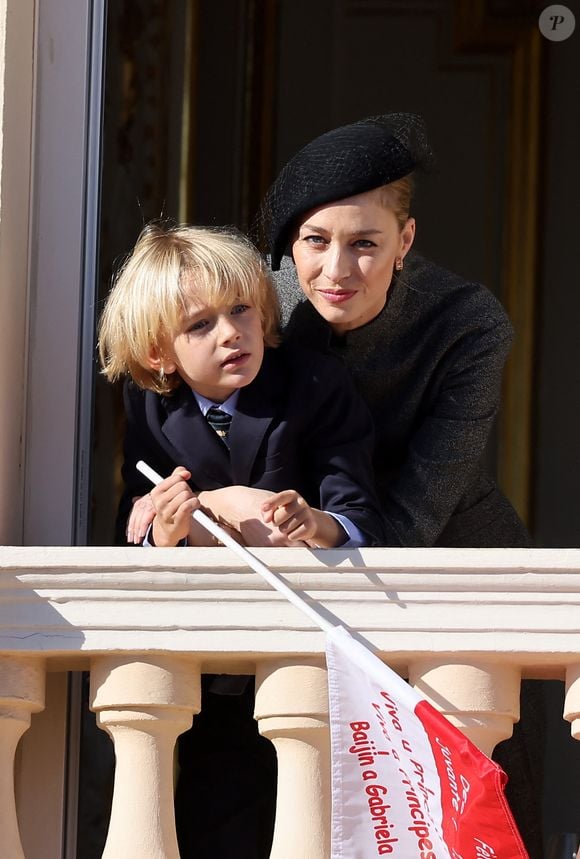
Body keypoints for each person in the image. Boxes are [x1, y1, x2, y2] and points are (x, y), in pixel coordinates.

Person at [254, 112, 542, 858]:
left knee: (470, 807)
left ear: (405, 242)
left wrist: (334, 544)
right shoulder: (265, 310)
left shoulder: (468, 323)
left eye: (365, 244)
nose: (336, 270)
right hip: (305, 567)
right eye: (315, 242)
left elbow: (417, 508)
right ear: (290, 245)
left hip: (450, 567)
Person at [98, 222, 386, 858]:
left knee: (319, 820)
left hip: (310, 650)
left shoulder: (312, 385)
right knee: (216, 818)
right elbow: (136, 519)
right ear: (158, 356)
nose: (231, 332)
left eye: (240, 310)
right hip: (215, 667)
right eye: (200, 325)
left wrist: (317, 523)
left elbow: (361, 509)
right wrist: (164, 534)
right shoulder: (151, 408)